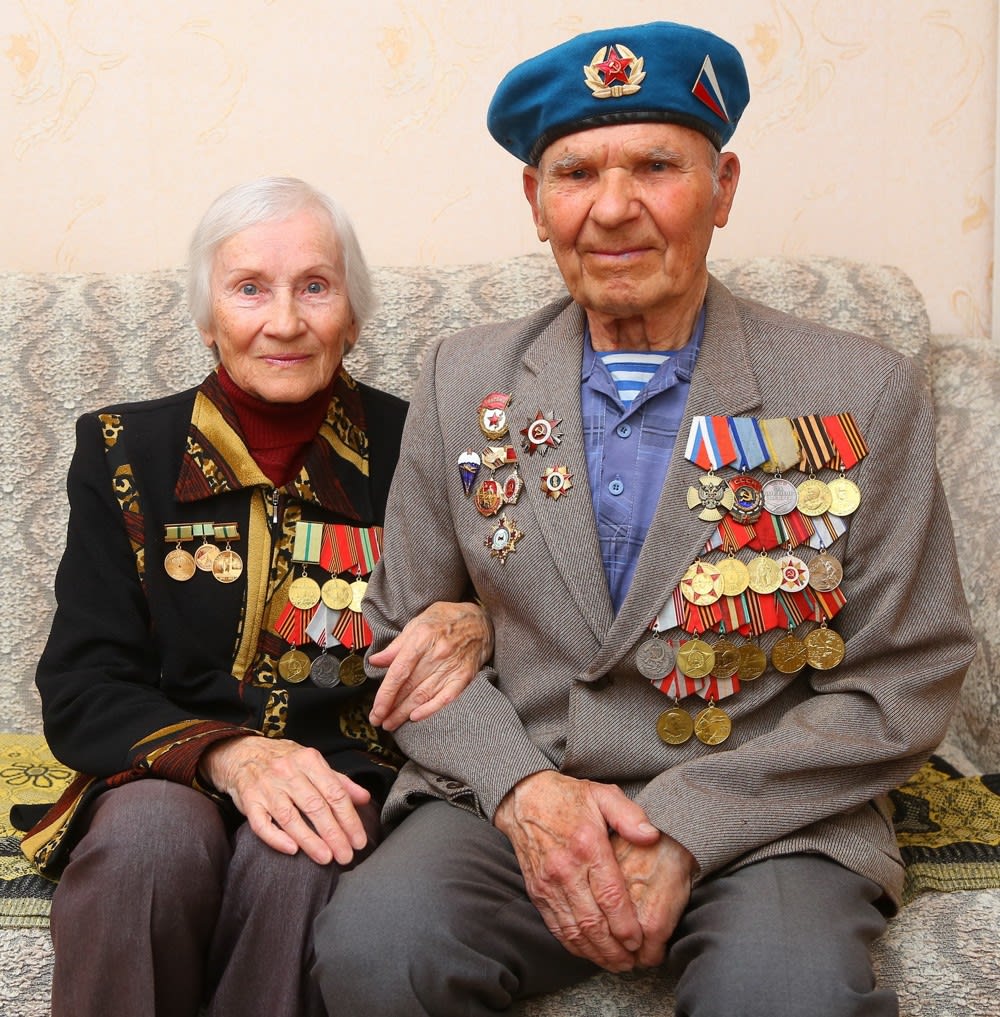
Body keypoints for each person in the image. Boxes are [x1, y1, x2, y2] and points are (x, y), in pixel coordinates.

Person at [312, 21, 977, 1017]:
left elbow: (905, 674)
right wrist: (524, 791)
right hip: (517, 799)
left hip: (768, 819)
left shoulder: (858, 389)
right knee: (376, 948)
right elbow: (396, 637)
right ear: (535, 201)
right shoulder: (463, 375)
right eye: (576, 174)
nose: (613, 208)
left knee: (782, 992)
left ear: (723, 187)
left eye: (656, 167)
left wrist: (688, 825)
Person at [14, 176, 492, 1017]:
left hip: (347, 776)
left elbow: (524, 616)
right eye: (248, 289)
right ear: (207, 317)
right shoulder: (123, 450)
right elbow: (84, 684)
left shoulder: (420, 444)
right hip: (165, 773)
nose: (284, 321)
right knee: (147, 842)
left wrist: (481, 619)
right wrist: (230, 756)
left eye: (315, 286)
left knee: (305, 851)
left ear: (352, 314)